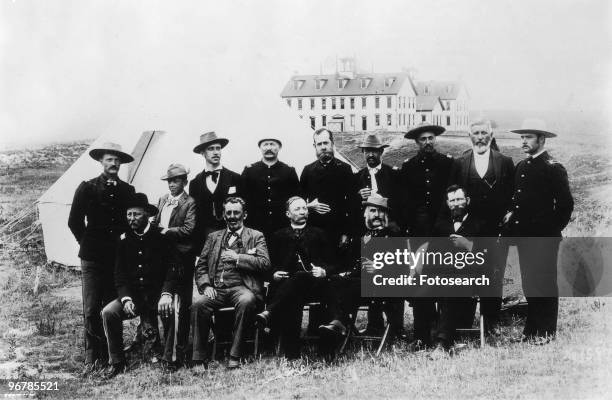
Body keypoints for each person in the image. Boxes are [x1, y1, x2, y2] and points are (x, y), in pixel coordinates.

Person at [67, 142, 135, 376]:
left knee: (110, 305)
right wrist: (87, 244)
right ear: (101, 162)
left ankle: (111, 352)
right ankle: (91, 355)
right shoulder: (87, 188)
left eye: (117, 160)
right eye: (109, 159)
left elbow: (131, 222)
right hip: (93, 258)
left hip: (116, 258)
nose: (113, 164)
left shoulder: (128, 191)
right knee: (91, 307)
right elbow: (74, 222)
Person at [504, 119, 574, 342]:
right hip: (524, 238)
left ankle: (546, 332)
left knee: (544, 283)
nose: (524, 141)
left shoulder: (552, 167)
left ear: (541, 140)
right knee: (530, 283)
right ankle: (531, 331)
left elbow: (565, 205)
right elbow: (518, 202)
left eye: (529, 137)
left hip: (544, 238)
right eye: (522, 137)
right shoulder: (522, 166)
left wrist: (550, 232)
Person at [446, 119, 514, 333]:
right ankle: (464, 321)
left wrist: (510, 211)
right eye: (476, 133)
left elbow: (513, 193)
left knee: (493, 274)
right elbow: (451, 194)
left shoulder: (505, 162)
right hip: (469, 230)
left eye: (484, 132)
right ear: (470, 136)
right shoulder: (459, 163)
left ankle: (491, 323)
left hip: (495, 230)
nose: (480, 137)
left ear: (491, 136)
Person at [100, 193, 179, 379]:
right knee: (108, 312)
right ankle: (117, 362)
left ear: (146, 215)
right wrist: (126, 298)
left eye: (136, 214)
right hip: (134, 297)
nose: (131, 219)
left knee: (174, 310)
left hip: (158, 295)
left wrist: (167, 293)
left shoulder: (162, 237)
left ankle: (170, 359)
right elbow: (119, 275)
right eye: (129, 215)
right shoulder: (123, 240)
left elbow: (173, 268)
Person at [191, 197, 270, 369]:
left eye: (236, 212)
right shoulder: (213, 237)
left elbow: (265, 263)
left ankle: (235, 354)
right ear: (223, 215)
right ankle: (198, 356)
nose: (232, 216)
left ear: (245, 215)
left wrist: (238, 258)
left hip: (242, 288)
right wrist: (205, 286)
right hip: (216, 289)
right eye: (229, 213)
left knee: (246, 301)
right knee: (198, 304)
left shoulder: (256, 236)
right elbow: (201, 265)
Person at [255, 196, 335, 359]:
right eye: (297, 209)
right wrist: (274, 275)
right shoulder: (278, 236)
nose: (302, 212)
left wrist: (324, 271)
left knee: (298, 279)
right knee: (294, 294)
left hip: (315, 286)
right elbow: (268, 265)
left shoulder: (319, 234)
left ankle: (270, 312)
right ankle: (292, 353)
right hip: (286, 287)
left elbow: (334, 263)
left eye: (305, 208)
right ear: (287, 214)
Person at [319, 195, 405, 342]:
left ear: (386, 214)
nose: (377, 215)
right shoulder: (363, 235)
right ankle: (336, 325)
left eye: (381, 211)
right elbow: (352, 263)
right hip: (360, 284)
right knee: (334, 281)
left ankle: (340, 323)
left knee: (348, 285)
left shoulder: (394, 234)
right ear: (365, 213)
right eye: (372, 211)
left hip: (384, 285)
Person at [399, 124, 453, 348]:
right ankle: (421, 334)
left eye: (431, 138)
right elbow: (404, 204)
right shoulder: (408, 167)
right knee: (420, 281)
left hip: (442, 234)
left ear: (436, 140)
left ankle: (443, 332)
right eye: (423, 139)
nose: (428, 142)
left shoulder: (448, 164)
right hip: (419, 235)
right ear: (417, 143)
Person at [353, 134, 404, 337]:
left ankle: (396, 326)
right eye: (367, 151)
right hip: (368, 233)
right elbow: (351, 209)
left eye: (375, 151)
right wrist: (359, 198)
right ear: (363, 153)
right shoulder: (357, 177)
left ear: (381, 152)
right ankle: (374, 325)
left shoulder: (393, 174)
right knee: (369, 272)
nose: (371, 154)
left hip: (390, 232)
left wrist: (391, 222)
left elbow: (402, 203)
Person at [429, 185, 485, 358]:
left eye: (459, 199)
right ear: (447, 203)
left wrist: (468, 246)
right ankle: (421, 337)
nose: (456, 204)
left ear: (467, 201)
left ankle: (443, 342)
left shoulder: (480, 223)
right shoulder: (440, 225)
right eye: (452, 201)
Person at [153, 163, 197, 369]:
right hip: (162, 259)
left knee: (181, 306)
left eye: (176, 180)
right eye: (169, 181)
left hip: (182, 260)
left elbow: (189, 229)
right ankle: (166, 347)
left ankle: (178, 353)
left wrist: (166, 232)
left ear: (184, 182)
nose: (172, 184)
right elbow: (155, 224)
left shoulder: (190, 203)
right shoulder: (162, 200)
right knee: (165, 302)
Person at [300, 128, 357, 248]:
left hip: (338, 230)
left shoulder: (345, 169)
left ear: (332, 144)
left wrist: (346, 233)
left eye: (326, 143)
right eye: (319, 144)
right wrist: (309, 207)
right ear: (314, 146)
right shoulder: (307, 170)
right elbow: (298, 201)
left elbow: (352, 204)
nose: (323, 147)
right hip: (313, 230)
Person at [189, 131, 242, 253]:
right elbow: (195, 215)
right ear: (203, 153)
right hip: (205, 239)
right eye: (211, 149)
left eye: (218, 148)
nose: (216, 152)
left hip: (232, 237)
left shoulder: (235, 178)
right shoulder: (195, 183)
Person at [241, 137, 300, 239]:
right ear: (260, 147)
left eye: (272, 144)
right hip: (255, 227)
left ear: (279, 147)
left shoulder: (289, 171)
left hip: (282, 227)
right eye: (265, 144)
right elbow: (241, 197)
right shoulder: (249, 170)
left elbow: (296, 198)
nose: (269, 147)